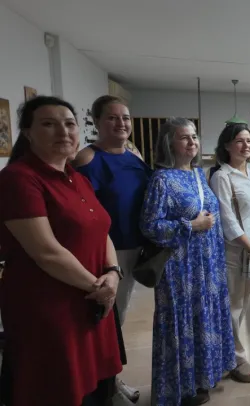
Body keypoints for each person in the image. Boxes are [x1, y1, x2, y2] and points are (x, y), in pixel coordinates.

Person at [0, 96, 122, 406]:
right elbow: (46, 252)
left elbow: (102, 230)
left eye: (69, 124)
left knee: (92, 387)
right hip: (50, 305)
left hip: (91, 301)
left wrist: (113, 272)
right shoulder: (19, 179)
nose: (63, 132)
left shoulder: (78, 179)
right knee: (56, 387)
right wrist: (100, 288)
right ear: (28, 133)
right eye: (49, 124)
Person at [141, 118, 235, 405]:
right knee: (183, 324)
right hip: (180, 268)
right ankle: (181, 389)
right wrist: (190, 226)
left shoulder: (197, 174)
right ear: (169, 143)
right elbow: (150, 226)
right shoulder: (162, 180)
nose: (192, 142)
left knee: (204, 320)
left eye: (194, 136)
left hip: (208, 264)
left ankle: (202, 378)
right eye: (184, 137)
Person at [74, 95, 151, 403]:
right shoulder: (88, 159)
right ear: (96, 122)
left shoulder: (135, 159)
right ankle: (103, 388)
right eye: (112, 117)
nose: (121, 123)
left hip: (133, 248)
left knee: (118, 321)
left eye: (126, 118)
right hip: (105, 254)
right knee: (104, 322)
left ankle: (112, 379)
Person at [208, 122, 250, 382]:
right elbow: (227, 219)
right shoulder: (222, 176)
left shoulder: (248, 173)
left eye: (249, 141)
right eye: (240, 141)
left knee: (241, 306)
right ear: (227, 145)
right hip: (235, 251)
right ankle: (236, 358)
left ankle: (228, 352)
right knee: (233, 306)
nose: (246, 146)